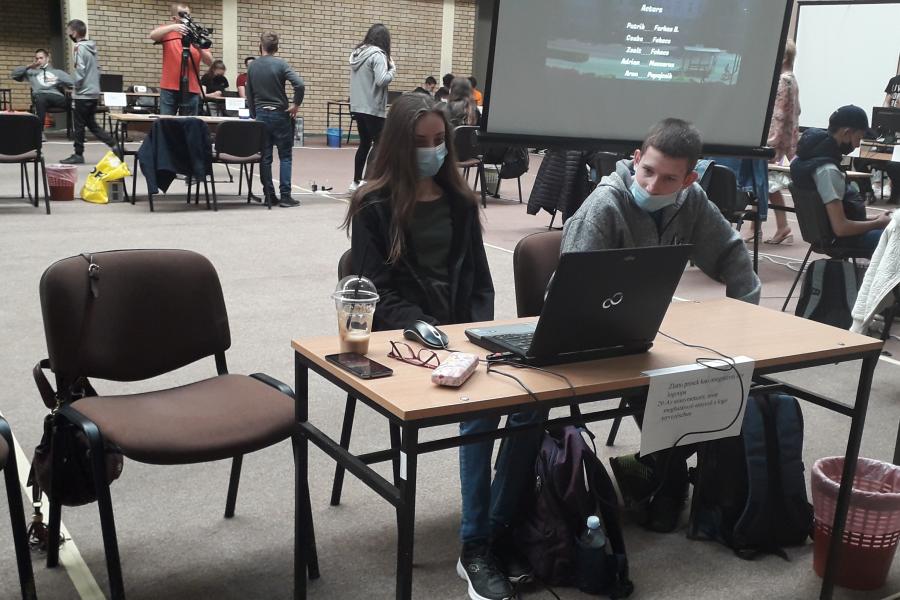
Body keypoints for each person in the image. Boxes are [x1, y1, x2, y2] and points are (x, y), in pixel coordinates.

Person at [342, 94, 541, 600]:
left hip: (463, 336)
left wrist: (476, 336)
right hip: (404, 341)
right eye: (419, 142)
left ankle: (496, 528)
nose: (431, 151)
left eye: (438, 141)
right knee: (480, 410)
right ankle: (476, 546)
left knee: (533, 400)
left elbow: (479, 282)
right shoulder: (373, 205)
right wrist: (428, 330)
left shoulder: (460, 201)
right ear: (396, 145)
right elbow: (376, 292)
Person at [561, 118, 760, 533]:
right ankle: (664, 481)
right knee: (678, 391)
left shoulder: (692, 201)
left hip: (650, 334)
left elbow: (730, 253)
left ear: (688, 180)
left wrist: (745, 325)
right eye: (647, 171)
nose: (652, 186)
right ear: (636, 159)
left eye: (669, 178)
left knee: (723, 381)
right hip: (594, 342)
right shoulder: (604, 207)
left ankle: (652, 471)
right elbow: (565, 300)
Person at [791, 105, 893, 250]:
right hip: (842, 241)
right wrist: (878, 223)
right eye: (858, 138)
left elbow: (830, 218)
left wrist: (876, 218)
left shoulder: (808, 160)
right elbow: (841, 228)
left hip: (829, 236)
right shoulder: (828, 171)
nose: (857, 145)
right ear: (847, 133)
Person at [246, 31, 304, 208]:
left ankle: (269, 196)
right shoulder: (281, 64)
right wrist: (295, 104)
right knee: (285, 156)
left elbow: (249, 93)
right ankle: (285, 196)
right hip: (280, 114)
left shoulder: (252, 66)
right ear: (276, 47)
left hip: (261, 115)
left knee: (265, 157)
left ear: (260, 46)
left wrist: (254, 113)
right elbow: (300, 84)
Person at [752, 40, 801, 244]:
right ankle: (771, 226)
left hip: (775, 141)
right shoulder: (792, 80)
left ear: (783, 57)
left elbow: (779, 114)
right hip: (785, 139)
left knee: (762, 182)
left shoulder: (783, 80)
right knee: (767, 184)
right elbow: (796, 110)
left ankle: (761, 227)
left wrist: (769, 141)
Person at [59, 20, 116, 164]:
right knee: (92, 124)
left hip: (83, 94)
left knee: (78, 125)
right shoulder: (91, 48)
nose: (68, 34)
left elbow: (80, 70)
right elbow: (97, 70)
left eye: (68, 31)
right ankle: (115, 145)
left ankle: (78, 154)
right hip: (93, 92)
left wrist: (75, 86)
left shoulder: (78, 48)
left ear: (74, 32)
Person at [349, 23, 396, 193]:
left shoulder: (357, 53)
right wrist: (393, 70)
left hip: (357, 106)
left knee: (364, 143)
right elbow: (381, 80)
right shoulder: (378, 55)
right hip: (372, 108)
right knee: (380, 143)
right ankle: (368, 181)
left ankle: (356, 182)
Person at [149, 3, 213, 116]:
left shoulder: (196, 35)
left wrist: (199, 48)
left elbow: (209, 62)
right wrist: (173, 27)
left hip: (191, 88)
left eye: (188, 15)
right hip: (169, 87)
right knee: (166, 121)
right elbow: (153, 35)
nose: (187, 18)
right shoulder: (168, 32)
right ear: (174, 18)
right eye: (183, 15)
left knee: (189, 123)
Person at [10, 49, 72, 136]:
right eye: (37, 58)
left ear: (47, 58)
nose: (39, 60)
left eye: (41, 58)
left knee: (75, 103)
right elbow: (14, 75)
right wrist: (29, 66)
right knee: (40, 99)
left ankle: (78, 133)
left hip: (56, 96)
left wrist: (71, 89)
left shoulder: (57, 72)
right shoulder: (32, 73)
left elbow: (73, 83)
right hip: (41, 96)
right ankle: (40, 133)